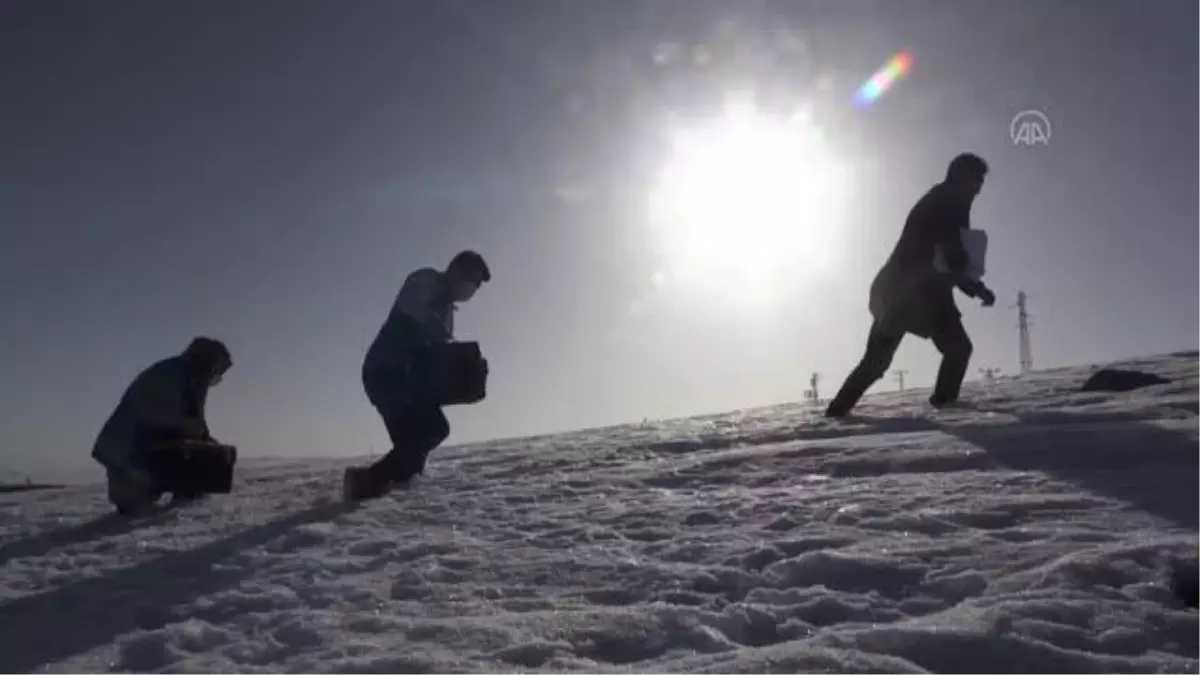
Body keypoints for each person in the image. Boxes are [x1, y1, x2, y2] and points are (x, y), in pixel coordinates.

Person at [825, 153, 997, 418]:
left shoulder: (951, 204)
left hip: (913, 293)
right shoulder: (944, 202)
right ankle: (944, 404)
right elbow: (948, 251)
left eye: (982, 181)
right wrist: (970, 278)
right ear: (962, 177)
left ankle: (838, 412)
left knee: (881, 362)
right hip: (907, 294)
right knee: (885, 361)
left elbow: (949, 259)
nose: (980, 187)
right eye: (977, 179)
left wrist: (974, 286)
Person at [344, 250, 492, 501]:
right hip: (386, 372)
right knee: (423, 434)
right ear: (457, 270)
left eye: (476, 286)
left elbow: (436, 356)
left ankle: (382, 495)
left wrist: (469, 370)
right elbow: (413, 314)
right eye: (472, 280)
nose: (472, 289)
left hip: (410, 378)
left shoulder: (448, 314)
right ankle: (364, 486)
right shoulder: (426, 280)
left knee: (430, 433)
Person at [92, 337, 237, 514]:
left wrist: (208, 442)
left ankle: (181, 491)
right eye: (215, 372)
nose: (213, 380)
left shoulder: (183, 376)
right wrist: (204, 443)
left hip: (136, 461)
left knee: (212, 454)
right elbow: (173, 422)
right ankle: (184, 494)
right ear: (206, 364)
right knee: (204, 457)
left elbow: (191, 425)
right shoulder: (173, 376)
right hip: (132, 467)